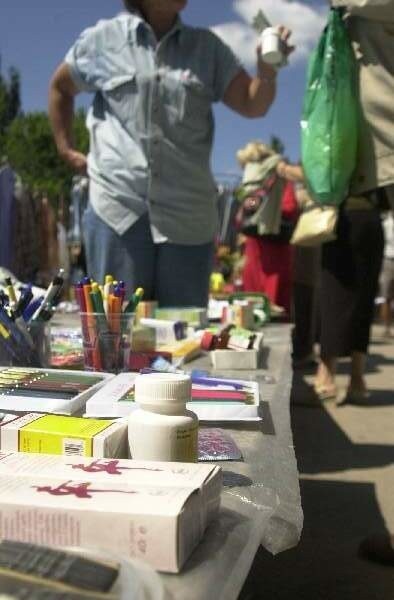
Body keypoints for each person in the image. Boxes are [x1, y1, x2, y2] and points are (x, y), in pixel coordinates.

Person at [48, 0, 293, 306]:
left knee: (184, 340)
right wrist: (65, 147)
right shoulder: (102, 40)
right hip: (117, 209)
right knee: (116, 338)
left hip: (187, 220)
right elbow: (60, 88)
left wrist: (266, 71)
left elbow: (252, 104)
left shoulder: (208, 49)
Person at [312, 0, 394, 405]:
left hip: (365, 179)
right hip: (352, 187)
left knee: (349, 291)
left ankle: (343, 375)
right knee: (342, 289)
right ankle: (341, 375)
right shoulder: (344, 23)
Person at [236, 142, 299, 315]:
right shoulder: (266, 185)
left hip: (267, 254)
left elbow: (243, 215)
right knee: (266, 310)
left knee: (259, 309)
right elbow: (290, 208)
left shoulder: (274, 182)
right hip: (266, 253)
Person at [379, 211, 394, 338]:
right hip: (388, 259)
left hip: (387, 259)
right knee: (386, 297)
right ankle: (387, 327)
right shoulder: (386, 224)